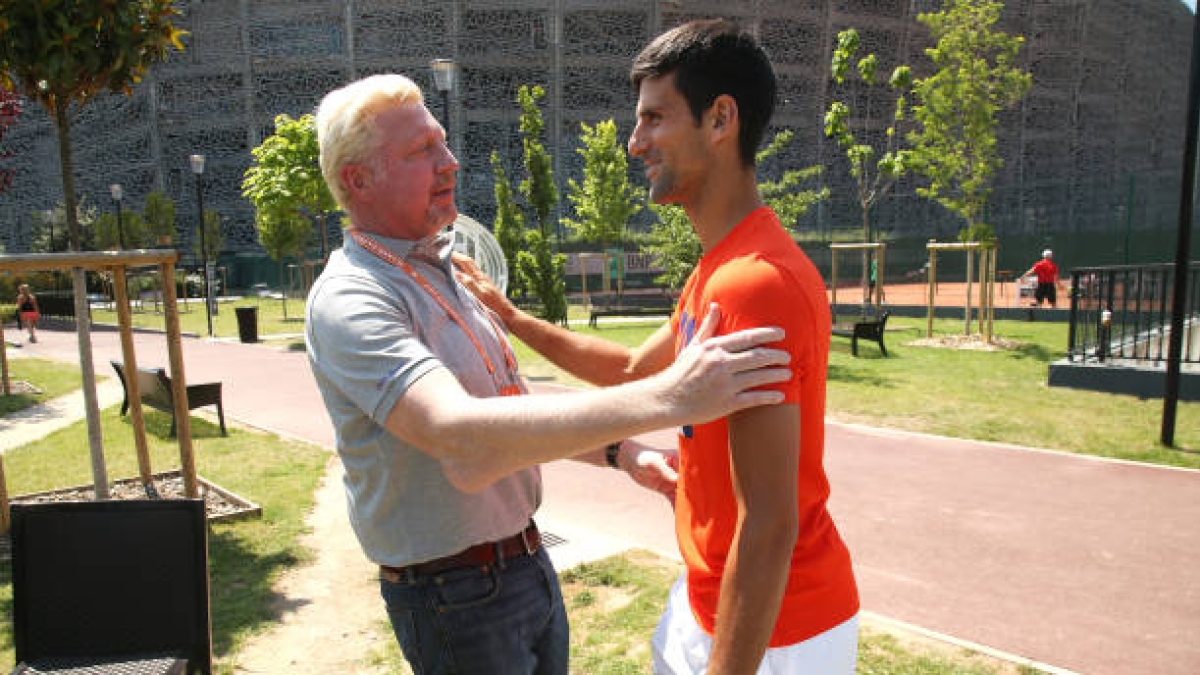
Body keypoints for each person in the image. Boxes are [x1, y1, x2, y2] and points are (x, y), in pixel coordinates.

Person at [304, 73, 793, 674]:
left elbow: (506, 408)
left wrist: (621, 453)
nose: (450, 162)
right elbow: (461, 437)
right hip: (450, 596)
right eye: (421, 151)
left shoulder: (442, 270)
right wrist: (672, 396)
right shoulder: (351, 298)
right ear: (358, 180)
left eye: (443, 142)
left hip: (523, 566)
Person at [457, 19, 859, 674]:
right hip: (705, 596)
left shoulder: (757, 281)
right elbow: (630, 370)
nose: (634, 141)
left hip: (778, 631)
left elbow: (769, 523)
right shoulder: (718, 271)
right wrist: (510, 317)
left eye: (653, 118)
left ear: (720, 119)